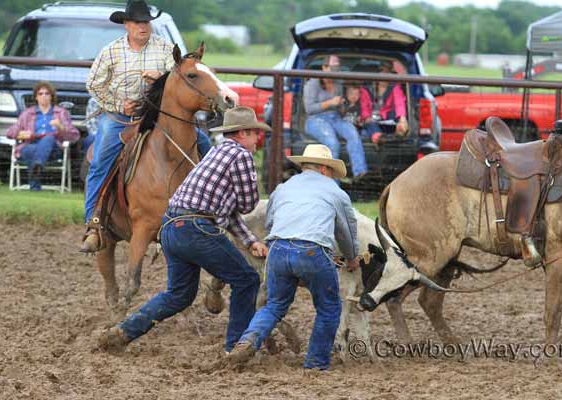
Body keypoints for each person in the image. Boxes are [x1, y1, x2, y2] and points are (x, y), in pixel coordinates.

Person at [97, 107, 270, 353]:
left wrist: (250, 241)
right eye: (254, 134)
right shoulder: (241, 155)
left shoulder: (217, 153)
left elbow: (226, 208)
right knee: (247, 279)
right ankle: (236, 347)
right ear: (242, 134)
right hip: (196, 228)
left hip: (172, 227)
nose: (257, 139)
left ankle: (123, 331)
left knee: (178, 295)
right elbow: (247, 204)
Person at [228, 144, 359, 370]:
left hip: (278, 249)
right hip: (312, 251)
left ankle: (248, 339)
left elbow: (270, 223)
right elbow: (346, 231)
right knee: (329, 308)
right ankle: (316, 363)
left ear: (304, 166)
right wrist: (352, 257)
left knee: (274, 305)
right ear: (325, 169)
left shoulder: (282, 188)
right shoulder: (336, 193)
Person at [81, 0, 176, 252]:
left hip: (156, 116)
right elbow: (94, 84)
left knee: (198, 143)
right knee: (100, 159)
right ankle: (94, 222)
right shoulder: (111, 51)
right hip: (118, 117)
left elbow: (179, 81)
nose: (143, 26)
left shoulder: (166, 50)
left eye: (146, 21)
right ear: (126, 25)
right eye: (137, 22)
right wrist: (118, 104)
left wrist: (161, 79)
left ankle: (204, 211)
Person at [6, 81, 79, 191]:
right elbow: (10, 132)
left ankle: (35, 176)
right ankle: (37, 167)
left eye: (47, 93)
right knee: (29, 149)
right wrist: (21, 134)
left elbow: (74, 136)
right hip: (31, 145)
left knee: (48, 138)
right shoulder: (27, 113)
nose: (43, 96)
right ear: (36, 97)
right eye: (40, 94)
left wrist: (61, 127)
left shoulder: (61, 113)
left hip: (53, 148)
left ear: (51, 96)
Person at [303, 55, 368, 179]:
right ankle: (331, 183)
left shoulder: (338, 82)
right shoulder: (312, 84)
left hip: (336, 118)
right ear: (324, 67)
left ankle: (360, 174)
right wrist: (330, 102)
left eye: (337, 68)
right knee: (332, 143)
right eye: (332, 68)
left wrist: (345, 106)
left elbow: (340, 108)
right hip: (315, 119)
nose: (335, 72)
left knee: (353, 134)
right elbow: (309, 109)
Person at [371, 60, 409, 138]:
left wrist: (402, 119)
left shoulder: (395, 87)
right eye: (381, 70)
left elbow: (400, 103)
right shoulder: (369, 88)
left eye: (387, 71)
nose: (384, 74)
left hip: (387, 120)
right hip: (370, 120)